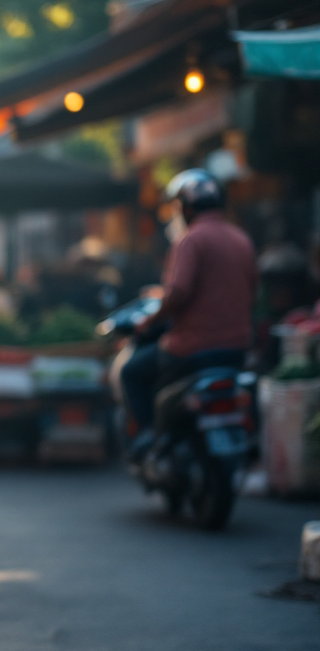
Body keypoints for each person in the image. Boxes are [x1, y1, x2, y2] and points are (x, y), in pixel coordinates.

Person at [120, 169, 257, 450]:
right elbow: (247, 289)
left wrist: (151, 320)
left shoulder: (190, 240)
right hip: (237, 348)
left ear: (185, 208)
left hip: (193, 348)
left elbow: (179, 293)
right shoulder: (241, 239)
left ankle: (150, 435)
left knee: (131, 372)